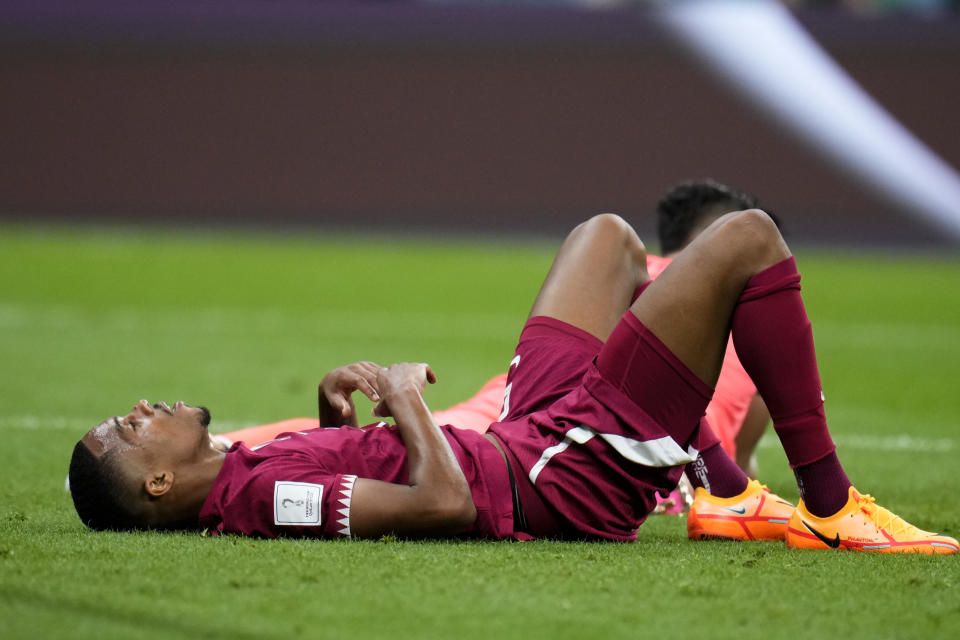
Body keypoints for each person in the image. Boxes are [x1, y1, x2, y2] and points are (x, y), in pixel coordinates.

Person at [68, 211, 958, 553]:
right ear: (154, 482)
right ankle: (831, 507)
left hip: (522, 439)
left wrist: (333, 405)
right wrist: (404, 390)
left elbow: (352, 480)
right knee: (747, 239)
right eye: (126, 428)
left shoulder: (245, 479)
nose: (140, 410)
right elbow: (441, 508)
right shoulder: (258, 495)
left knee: (606, 239)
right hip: (558, 477)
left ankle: (714, 484)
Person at [213, 179, 775, 483]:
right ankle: (199, 463)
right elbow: (736, 462)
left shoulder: (613, 273)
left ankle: (211, 452)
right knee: (422, 447)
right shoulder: (752, 322)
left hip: (513, 415)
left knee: (430, 432)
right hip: (611, 456)